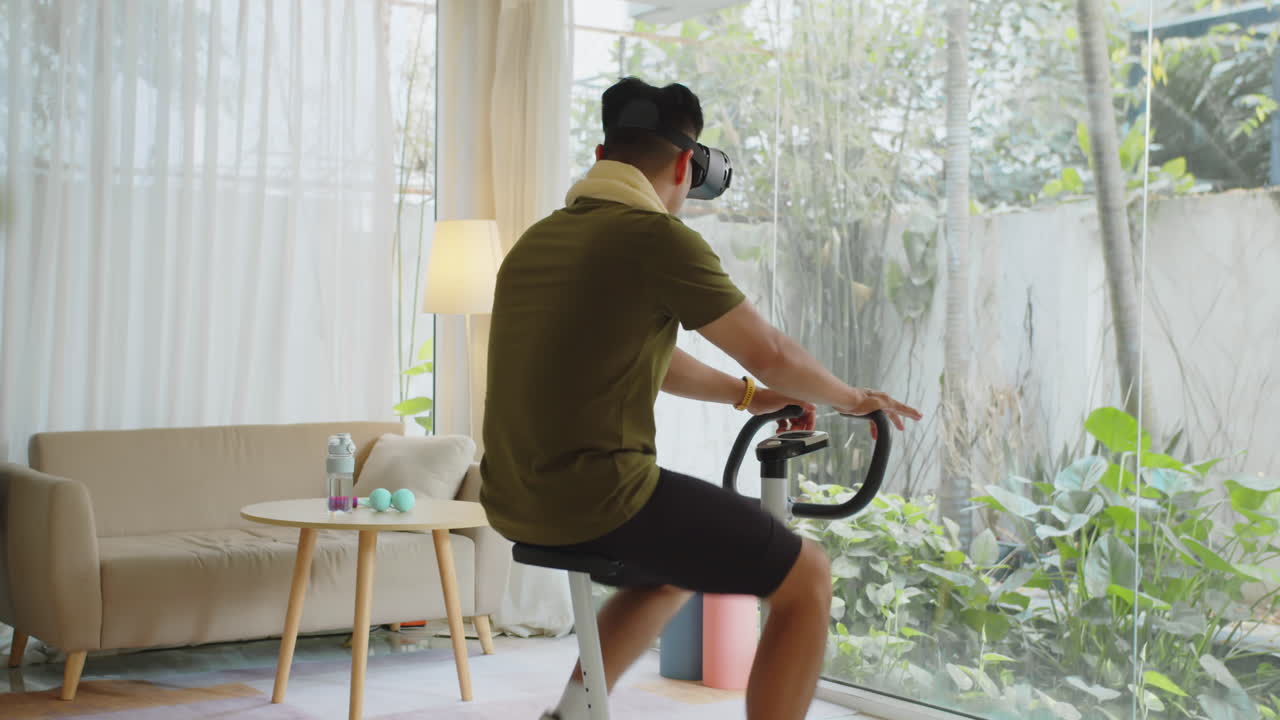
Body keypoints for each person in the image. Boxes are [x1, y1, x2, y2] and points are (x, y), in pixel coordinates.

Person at [479, 77, 922, 720]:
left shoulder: (539, 241)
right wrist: (855, 398)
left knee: (670, 569)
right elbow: (770, 348)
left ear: (603, 156)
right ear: (689, 164)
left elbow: (650, 363)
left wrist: (750, 398)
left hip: (513, 498)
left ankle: (569, 715)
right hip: (602, 496)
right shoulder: (656, 239)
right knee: (808, 577)